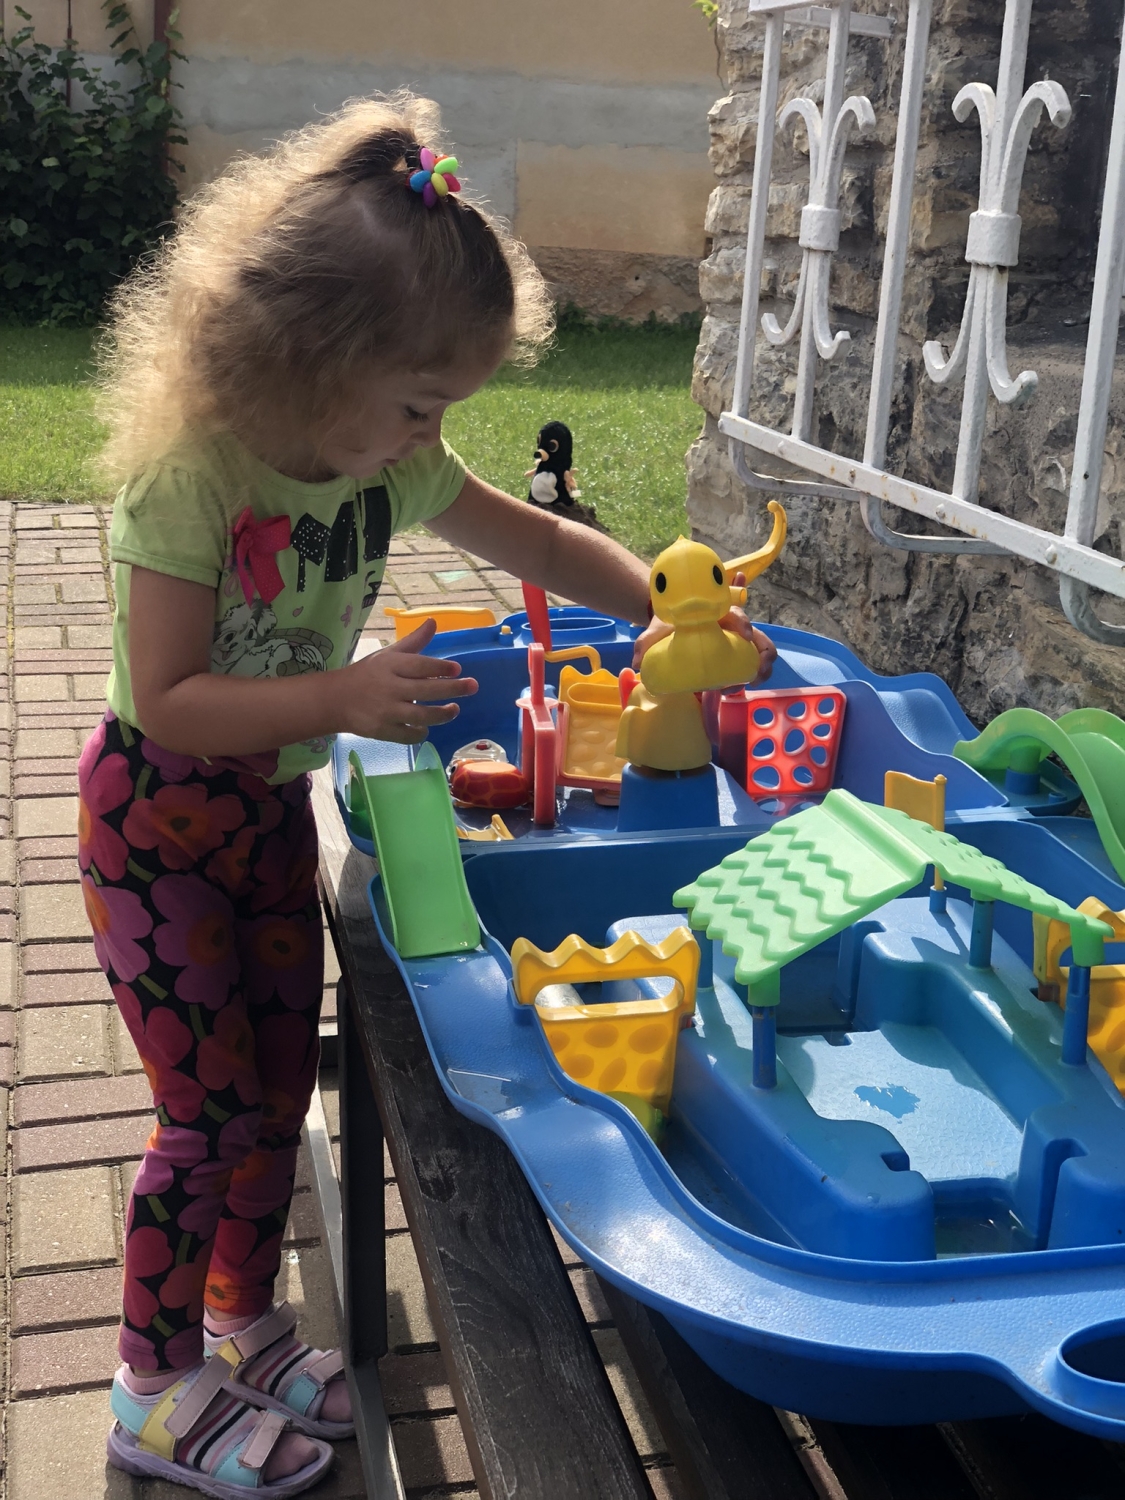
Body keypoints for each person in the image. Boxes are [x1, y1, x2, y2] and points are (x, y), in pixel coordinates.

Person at [82, 92, 775, 1496]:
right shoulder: (189, 479)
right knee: (203, 1116)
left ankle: (244, 1319)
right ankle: (149, 1384)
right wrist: (338, 698)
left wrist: (665, 607)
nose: (431, 434)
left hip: (262, 819)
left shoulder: (387, 460)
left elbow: (538, 541)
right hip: (155, 824)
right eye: (419, 403)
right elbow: (169, 698)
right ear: (312, 360)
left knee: (276, 1089)